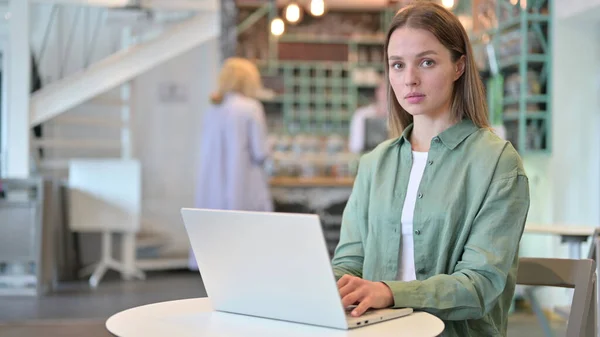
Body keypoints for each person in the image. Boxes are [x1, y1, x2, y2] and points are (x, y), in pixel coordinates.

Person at [331, 3, 530, 336]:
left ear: (458, 66)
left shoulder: (498, 163)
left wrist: (391, 292)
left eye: (427, 62)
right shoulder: (374, 164)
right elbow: (349, 263)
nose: (409, 79)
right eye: (397, 65)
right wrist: (325, 290)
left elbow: (480, 284)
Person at [189, 57, 273, 270]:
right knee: (247, 246)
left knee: (218, 251)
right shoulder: (250, 107)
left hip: (214, 186)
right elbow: (260, 151)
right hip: (243, 185)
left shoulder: (213, 109)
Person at [348, 80, 387, 153]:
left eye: (390, 90)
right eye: (384, 89)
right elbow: (355, 146)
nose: (387, 93)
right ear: (377, 92)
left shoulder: (400, 117)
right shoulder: (361, 114)